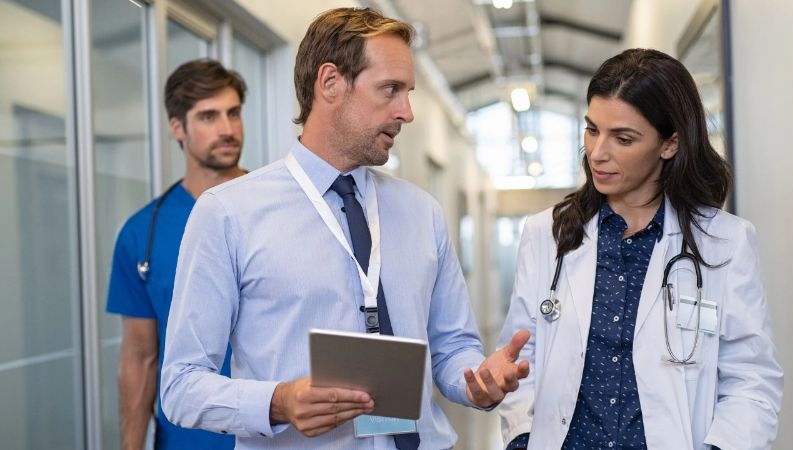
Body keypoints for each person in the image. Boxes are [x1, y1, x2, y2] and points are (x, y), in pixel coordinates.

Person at [160, 7, 530, 450]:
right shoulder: (228, 213)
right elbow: (181, 386)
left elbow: (452, 348)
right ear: (331, 82)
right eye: (390, 90)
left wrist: (477, 380)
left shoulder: (422, 212)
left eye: (408, 92)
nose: (406, 112)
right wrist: (277, 401)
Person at [498, 48, 783, 450]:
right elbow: (519, 353)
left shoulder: (726, 243)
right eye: (592, 129)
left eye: (623, 138)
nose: (597, 153)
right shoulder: (547, 233)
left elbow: (752, 381)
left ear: (670, 144)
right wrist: (522, 438)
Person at [106, 59, 248, 450]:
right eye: (208, 116)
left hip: (280, 437)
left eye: (233, 113)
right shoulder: (142, 234)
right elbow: (140, 357)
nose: (227, 129)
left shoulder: (281, 209)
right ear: (178, 128)